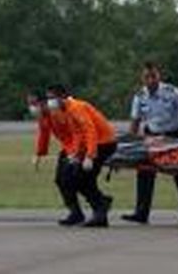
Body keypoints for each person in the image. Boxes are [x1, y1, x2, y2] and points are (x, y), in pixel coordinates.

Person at [122, 62, 178, 225]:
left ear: (159, 77)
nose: (150, 80)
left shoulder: (172, 92)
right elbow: (135, 122)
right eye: (147, 77)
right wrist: (130, 145)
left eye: (153, 76)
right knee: (145, 172)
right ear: (142, 79)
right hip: (151, 136)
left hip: (174, 135)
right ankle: (141, 213)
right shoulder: (139, 96)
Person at [30, 86, 117, 227]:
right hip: (79, 146)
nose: (32, 107)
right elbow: (72, 134)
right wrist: (40, 153)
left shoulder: (72, 109)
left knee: (79, 177)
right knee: (64, 179)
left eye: (35, 103)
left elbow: (89, 131)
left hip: (103, 142)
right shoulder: (55, 112)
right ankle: (85, 211)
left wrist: (89, 155)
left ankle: (100, 207)